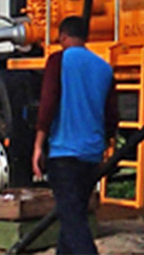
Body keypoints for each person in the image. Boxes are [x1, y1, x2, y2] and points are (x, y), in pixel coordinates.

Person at [32, 15, 119, 255]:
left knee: (74, 224)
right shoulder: (104, 67)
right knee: (72, 217)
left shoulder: (58, 61)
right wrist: (103, 145)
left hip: (63, 154)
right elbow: (112, 116)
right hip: (91, 157)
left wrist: (38, 145)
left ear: (63, 36)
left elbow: (48, 104)